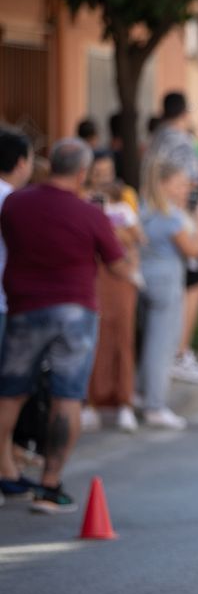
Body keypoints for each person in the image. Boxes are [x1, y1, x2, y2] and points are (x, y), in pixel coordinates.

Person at [0, 138, 133, 513]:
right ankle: (50, 485)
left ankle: (3, 471)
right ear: (82, 173)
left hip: (23, 307)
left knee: (10, 392)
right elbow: (117, 265)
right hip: (74, 311)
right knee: (67, 396)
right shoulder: (89, 214)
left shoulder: (15, 203)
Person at [136, 155, 198, 430]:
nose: (185, 190)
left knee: (147, 342)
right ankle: (155, 405)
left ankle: (143, 394)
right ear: (163, 184)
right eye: (179, 184)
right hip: (166, 282)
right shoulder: (170, 217)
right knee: (161, 345)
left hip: (145, 279)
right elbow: (197, 250)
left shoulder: (145, 209)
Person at [146, 91, 198, 382]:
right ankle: (179, 353)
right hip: (177, 218)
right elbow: (192, 185)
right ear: (185, 113)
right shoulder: (183, 142)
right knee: (193, 284)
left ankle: (174, 353)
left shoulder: (155, 138)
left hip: (153, 213)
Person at [80, 153, 145, 433]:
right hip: (91, 276)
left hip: (119, 276)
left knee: (122, 338)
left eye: (107, 171)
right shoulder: (80, 200)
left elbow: (137, 237)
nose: (103, 177)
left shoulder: (123, 200)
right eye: (98, 171)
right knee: (93, 340)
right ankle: (90, 402)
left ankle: (124, 402)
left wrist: (107, 226)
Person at [0, 125, 35, 505]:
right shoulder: (14, 202)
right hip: (6, 302)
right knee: (7, 391)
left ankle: (7, 464)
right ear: (21, 162)